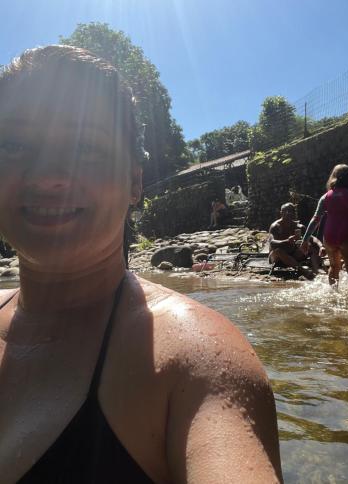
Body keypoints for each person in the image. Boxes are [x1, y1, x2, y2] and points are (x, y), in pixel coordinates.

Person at [0, 46, 283, 483]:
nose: (46, 176)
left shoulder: (192, 357)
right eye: (14, 144)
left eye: (85, 147)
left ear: (135, 182)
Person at [301, 164, 348, 298]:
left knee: (334, 267)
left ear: (333, 178)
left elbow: (315, 219)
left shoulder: (325, 197)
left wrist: (305, 239)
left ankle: (334, 296)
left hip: (329, 236)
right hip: (346, 235)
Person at [269, 202, 321, 274]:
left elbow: (311, 238)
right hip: (277, 257)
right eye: (285, 211)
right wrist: (287, 241)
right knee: (279, 251)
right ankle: (302, 270)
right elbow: (272, 242)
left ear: (294, 213)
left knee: (310, 247)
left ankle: (317, 271)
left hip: (294, 255)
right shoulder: (275, 226)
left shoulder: (299, 227)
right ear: (281, 213)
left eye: (290, 211)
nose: (288, 213)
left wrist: (321, 246)